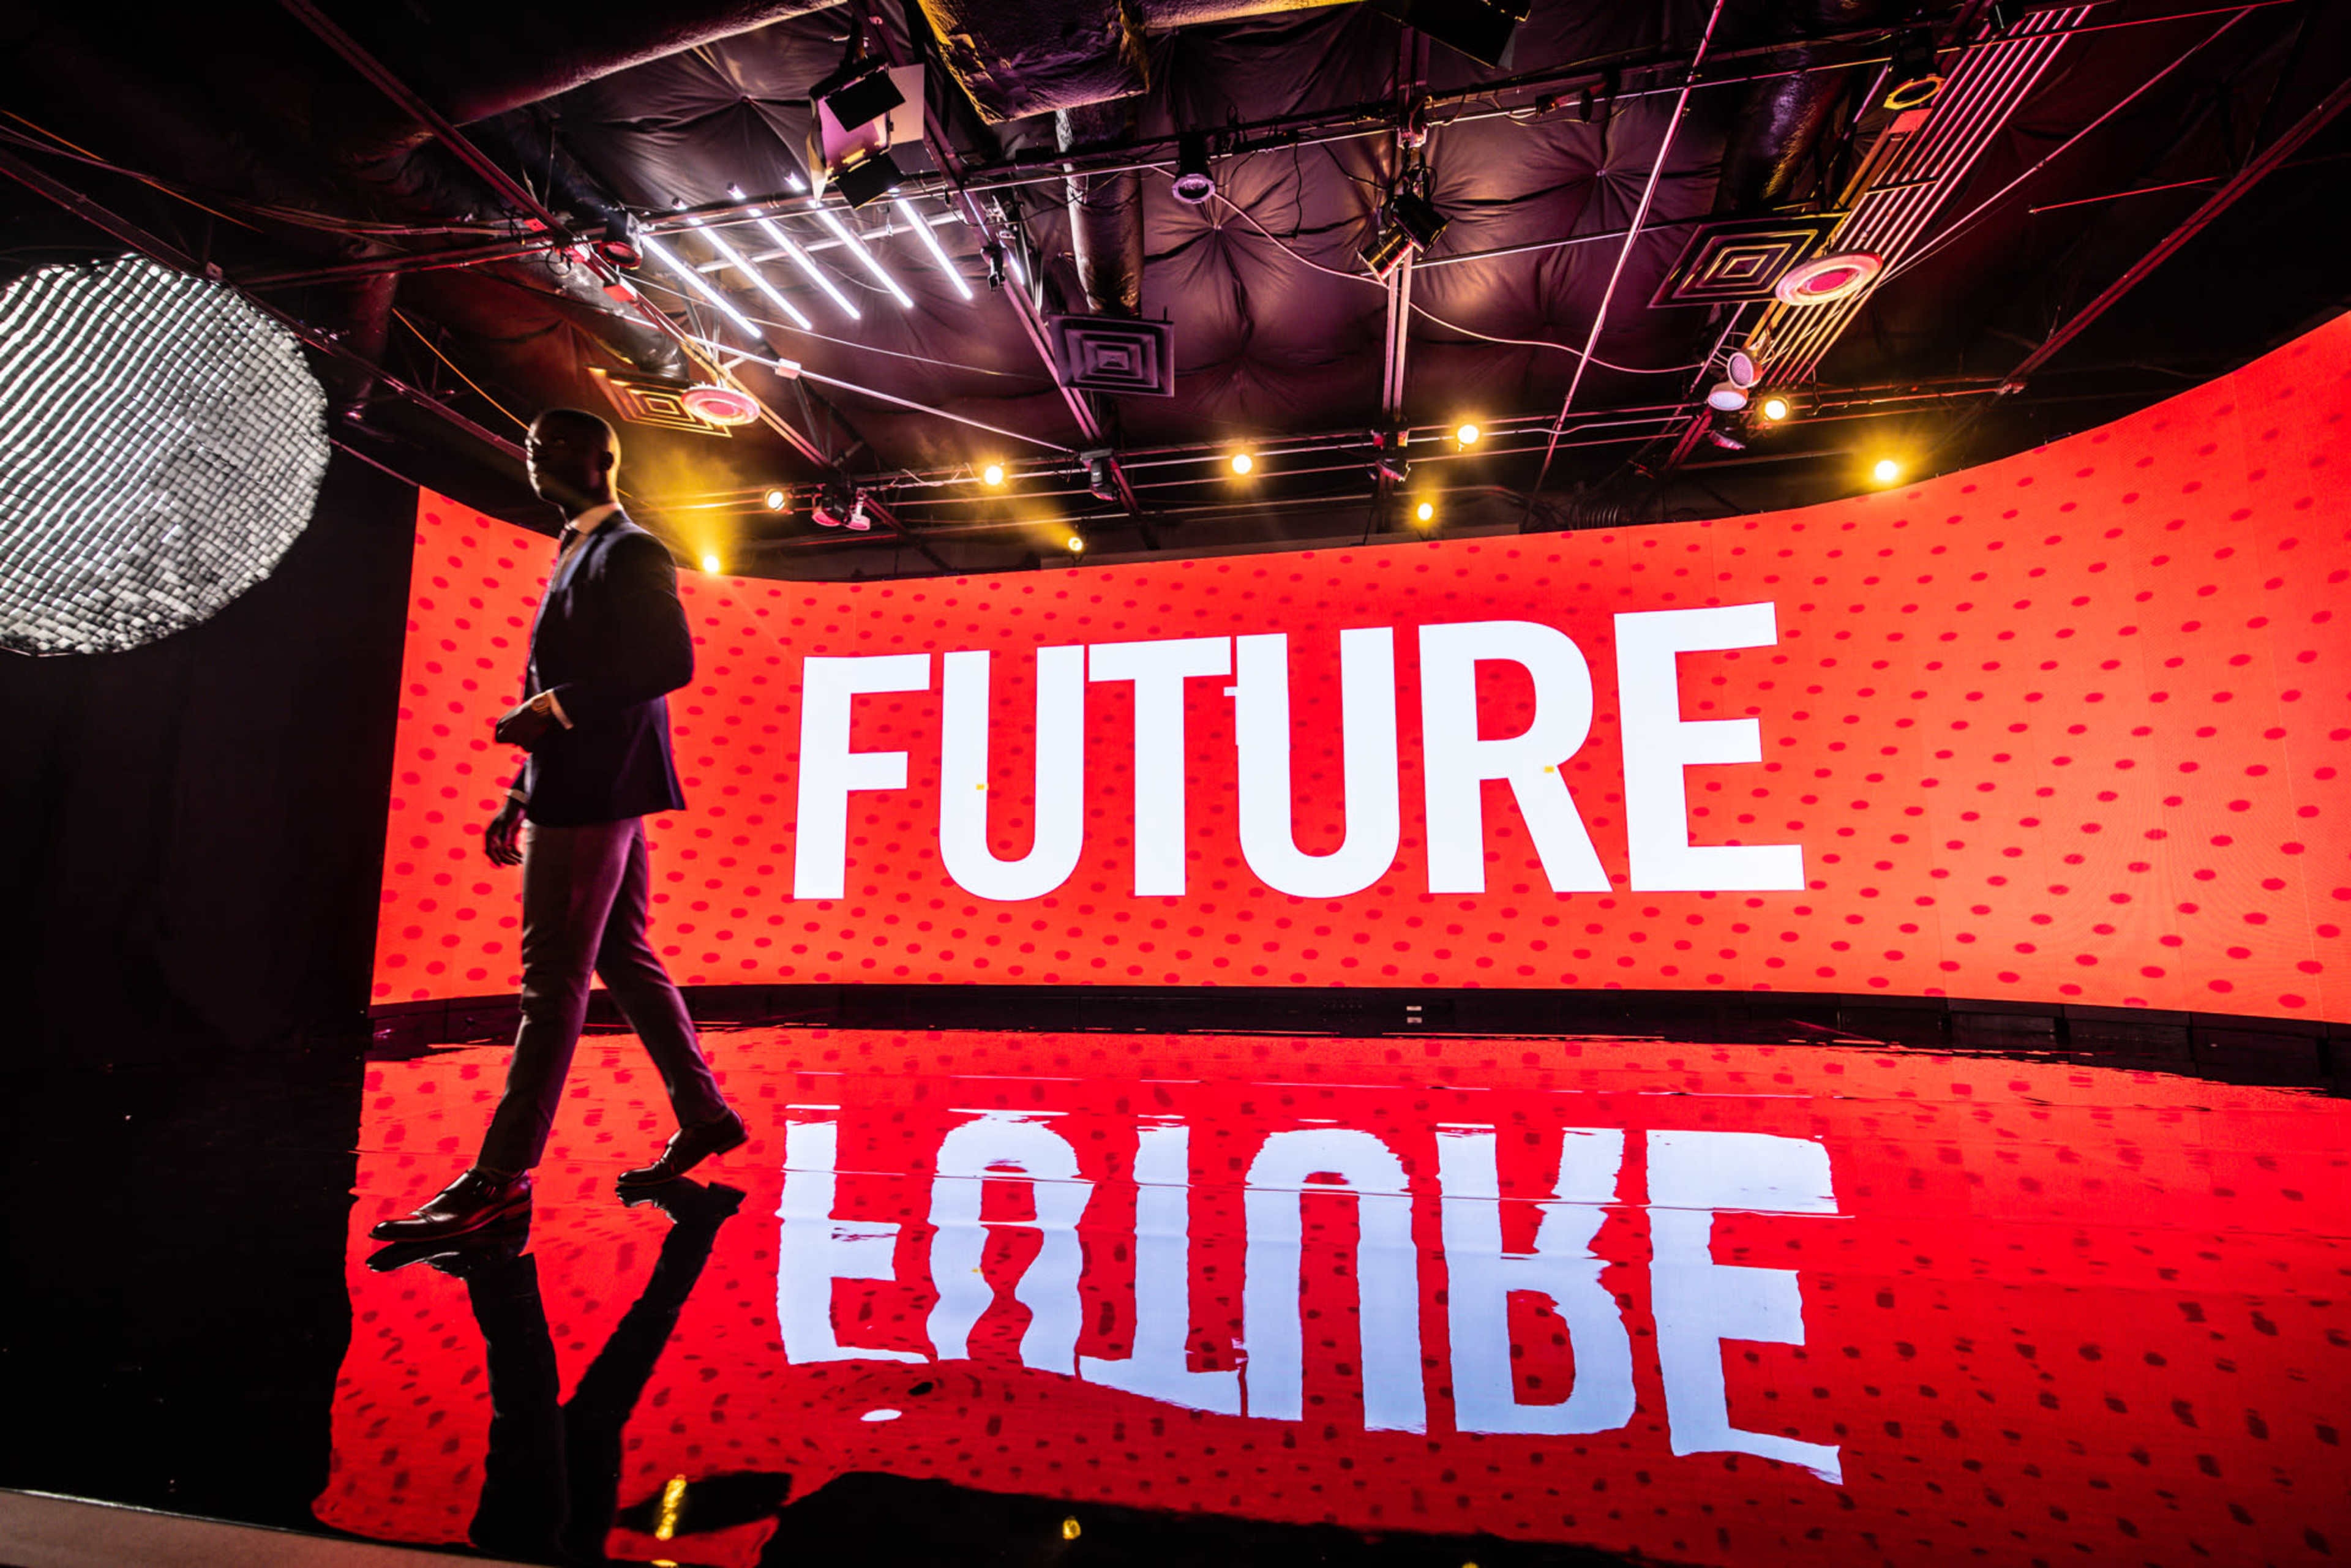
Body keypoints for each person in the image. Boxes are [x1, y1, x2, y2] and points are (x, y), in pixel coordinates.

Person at [372, 409, 744, 1244]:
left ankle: (500, 1177)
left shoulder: (630, 549)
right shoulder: (575, 547)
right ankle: (708, 1113)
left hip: (593, 795)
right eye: (533, 445)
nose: (536, 457)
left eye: (555, 446)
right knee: (622, 956)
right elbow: (570, 687)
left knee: (552, 982)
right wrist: (519, 789)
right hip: (572, 785)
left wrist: (555, 708)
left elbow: (666, 663)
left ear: (600, 459)